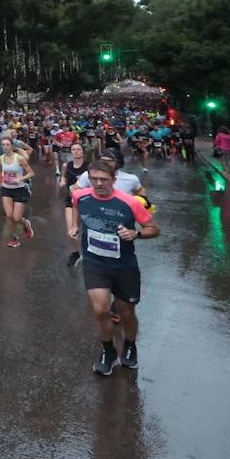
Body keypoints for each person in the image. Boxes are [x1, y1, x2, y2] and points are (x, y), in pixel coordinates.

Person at [68, 159, 159, 375]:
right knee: (100, 309)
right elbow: (75, 206)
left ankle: (130, 344)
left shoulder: (130, 203)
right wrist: (74, 225)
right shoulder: (80, 196)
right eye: (94, 179)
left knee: (126, 312)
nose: (99, 183)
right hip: (94, 262)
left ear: (114, 180)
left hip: (123, 265)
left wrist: (136, 234)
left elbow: (154, 229)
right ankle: (108, 351)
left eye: (104, 179)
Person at [0, 136, 35, 249]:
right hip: (6, 189)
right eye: (3, 145)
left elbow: (31, 173)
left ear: (12, 146)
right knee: (9, 216)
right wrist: (1, 182)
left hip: (19, 189)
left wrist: (20, 179)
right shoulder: (0, 159)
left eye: (7, 145)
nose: (5, 147)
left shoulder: (19, 159)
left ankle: (26, 224)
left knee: (17, 218)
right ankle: (15, 238)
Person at [63, 144, 90, 268]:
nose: (76, 152)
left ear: (83, 152)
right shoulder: (66, 165)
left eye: (79, 149)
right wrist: (62, 181)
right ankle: (75, 253)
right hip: (71, 200)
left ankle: (92, 255)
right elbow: (64, 177)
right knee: (71, 232)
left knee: (88, 230)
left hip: (87, 201)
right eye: (73, 150)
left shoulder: (89, 167)